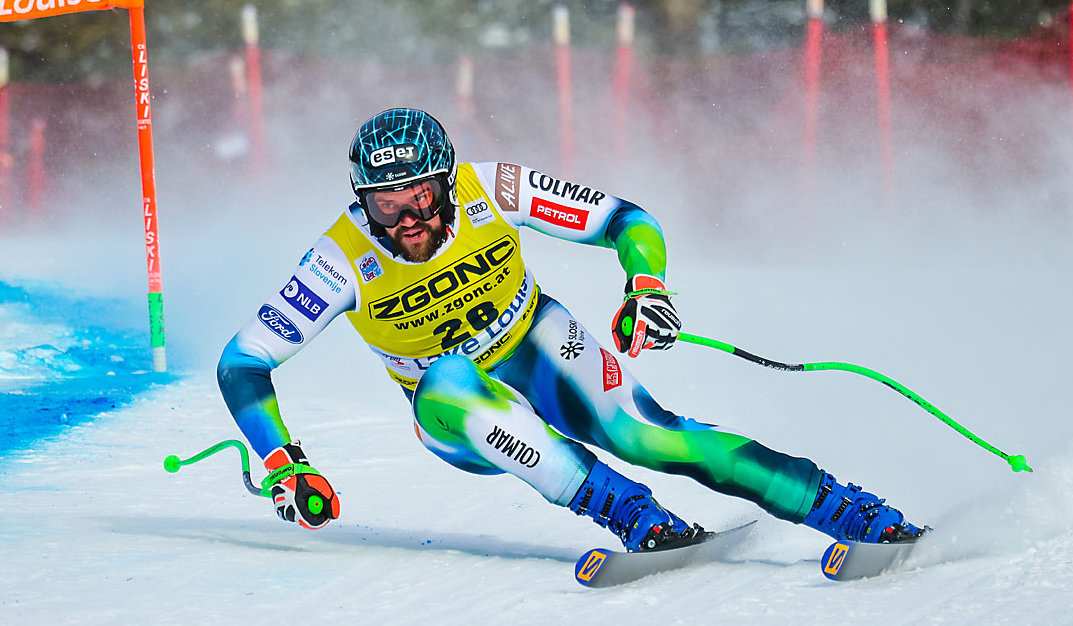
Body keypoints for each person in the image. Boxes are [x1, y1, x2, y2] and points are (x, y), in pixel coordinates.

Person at [217, 107, 923, 551]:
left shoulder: (492, 186)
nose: (405, 220)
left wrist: (645, 284)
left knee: (650, 435)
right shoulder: (340, 257)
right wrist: (284, 461)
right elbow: (242, 364)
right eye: (383, 203)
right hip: (451, 412)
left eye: (421, 196)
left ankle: (849, 511)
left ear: (447, 181)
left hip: (539, 343)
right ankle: (626, 512)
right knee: (448, 378)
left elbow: (627, 221)